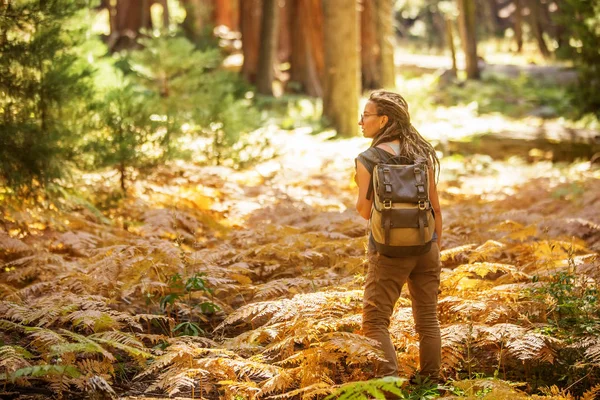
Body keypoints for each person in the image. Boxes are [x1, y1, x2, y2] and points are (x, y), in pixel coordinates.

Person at [354, 90, 443, 382]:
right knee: (428, 321)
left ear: (383, 120)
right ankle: (429, 384)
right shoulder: (422, 154)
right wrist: (433, 246)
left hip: (388, 251)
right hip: (426, 246)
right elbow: (436, 208)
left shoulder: (368, 159)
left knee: (375, 322)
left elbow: (364, 212)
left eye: (366, 115)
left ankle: (390, 386)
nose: (360, 121)